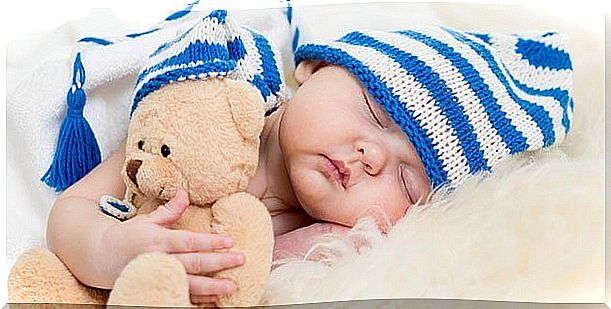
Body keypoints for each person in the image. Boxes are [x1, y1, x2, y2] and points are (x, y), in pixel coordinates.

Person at [45, 13, 573, 306]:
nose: (370, 157)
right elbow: (71, 211)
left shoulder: (320, 241)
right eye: (374, 112)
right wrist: (109, 248)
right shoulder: (206, 108)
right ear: (317, 67)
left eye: (408, 183)